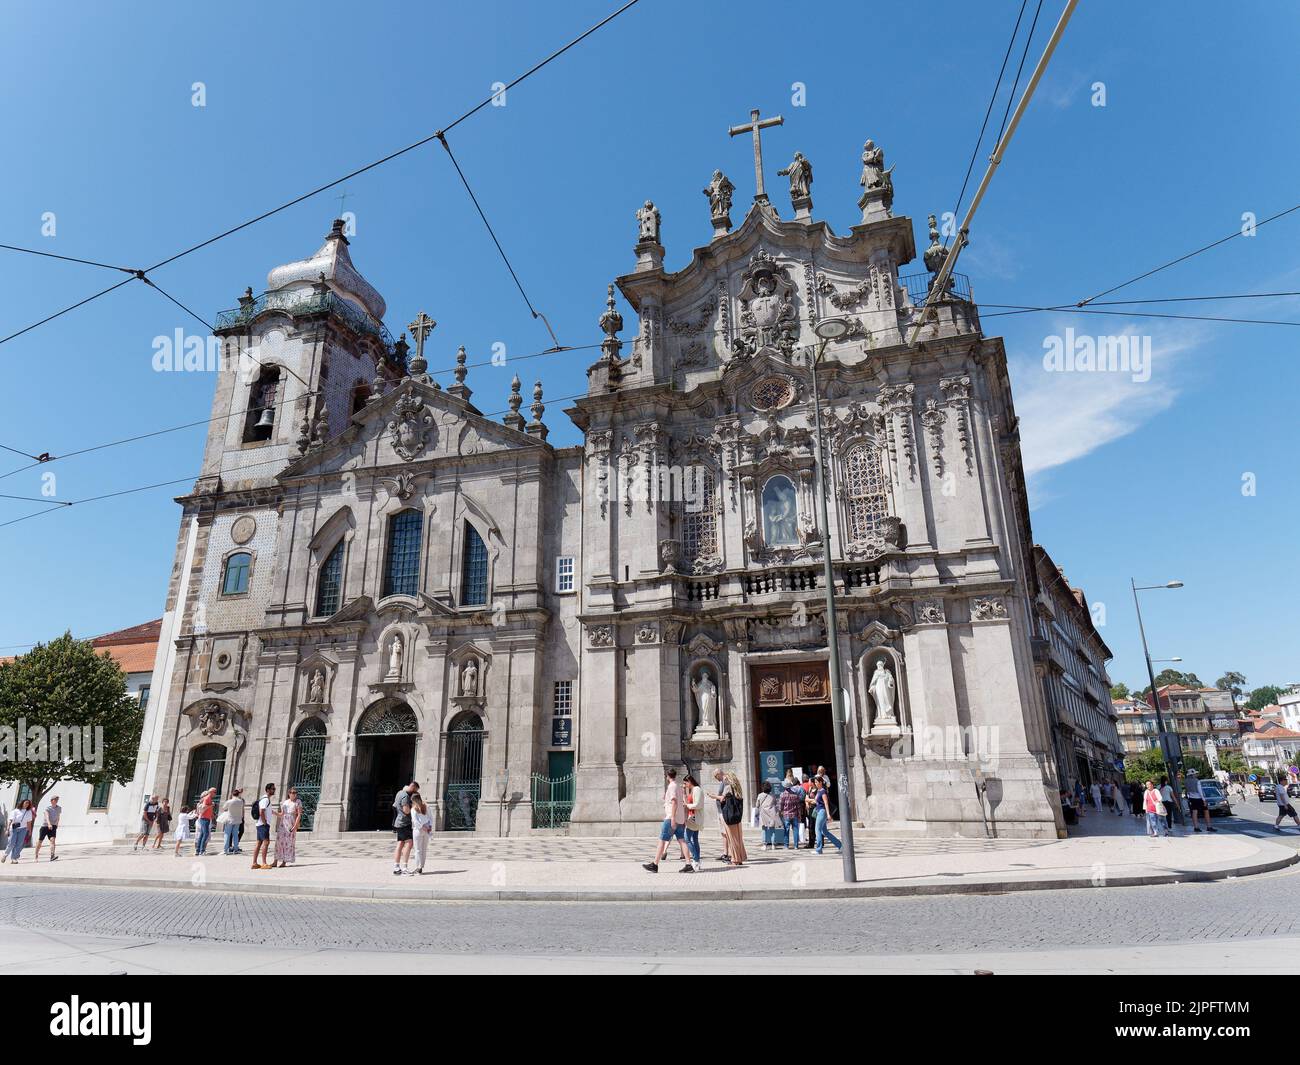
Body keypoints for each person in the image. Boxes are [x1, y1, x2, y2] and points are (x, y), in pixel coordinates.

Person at [643, 768, 691, 873]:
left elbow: (674, 802)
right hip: (680, 818)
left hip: (671, 818)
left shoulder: (672, 786)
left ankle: (655, 864)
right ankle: (688, 864)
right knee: (682, 840)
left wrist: (672, 818)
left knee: (662, 840)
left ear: (667, 776)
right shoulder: (678, 786)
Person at [714, 771, 747, 866]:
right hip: (737, 816)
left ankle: (735, 860)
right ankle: (740, 858)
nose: (724, 780)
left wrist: (713, 796)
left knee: (732, 839)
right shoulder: (738, 788)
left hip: (730, 816)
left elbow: (722, 798)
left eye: (725, 778)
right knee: (738, 838)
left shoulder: (728, 787)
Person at [812, 775, 843, 855]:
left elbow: (826, 803)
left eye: (816, 782)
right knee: (825, 832)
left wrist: (829, 814)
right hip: (820, 811)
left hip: (822, 812)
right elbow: (816, 801)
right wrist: (809, 800)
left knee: (817, 830)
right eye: (815, 782)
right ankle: (840, 845)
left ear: (821, 782)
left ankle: (819, 849)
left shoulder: (823, 791)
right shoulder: (819, 791)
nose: (815, 783)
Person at [392, 780, 418, 876]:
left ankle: (396, 867)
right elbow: (406, 810)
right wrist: (414, 808)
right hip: (404, 822)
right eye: (415, 790)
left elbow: (394, 806)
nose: (414, 793)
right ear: (413, 787)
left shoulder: (399, 793)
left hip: (399, 822)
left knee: (400, 844)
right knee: (409, 843)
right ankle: (405, 868)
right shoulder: (405, 796)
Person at [274, 787, 301, 867]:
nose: (294, 794)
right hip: (283, 824)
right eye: (292, 792)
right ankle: (275, 861)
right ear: (289, 793)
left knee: (288, 842)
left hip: (291, 823)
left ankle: (284, 861)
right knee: (279, 842)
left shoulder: (298, 802)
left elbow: (299, 815)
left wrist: (295, 826)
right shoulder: (285, 802)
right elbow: (282, 814)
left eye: (295, 792)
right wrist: (274, 813)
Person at [251, 783, 275, 869]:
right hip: (263, 825)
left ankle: (254, 863)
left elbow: (267, 811)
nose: (274, 790)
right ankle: (264, 863)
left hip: (260, 824)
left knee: (259, 843)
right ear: (268, 790)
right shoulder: (265, 800)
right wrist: (265, 822)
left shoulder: (265, 799)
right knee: (266, 842)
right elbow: (261, 811)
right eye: (273, 789)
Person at [682, 774, 703, 872]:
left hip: (694, 818)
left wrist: (688, 806)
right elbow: (687, 801)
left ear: (689, 781)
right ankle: (697, 862)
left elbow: (698, 805)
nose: (684, 784)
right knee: (694, 839)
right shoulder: (692, 790)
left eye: (685, 783)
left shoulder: (697, 789)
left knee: (686, 838)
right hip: (693, 817)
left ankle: (696, 859)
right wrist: (684, 792)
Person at [410, 791, 433, 874]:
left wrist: (422, 827)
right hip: (426, 829)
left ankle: (418, 867)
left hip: (418, 830)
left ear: (414, 800)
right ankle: (421, 866)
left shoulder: (413, 809)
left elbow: (415, 821)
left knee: (418, 850)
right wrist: (429, 827)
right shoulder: (427, 806)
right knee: (424, 849)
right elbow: (431, 817)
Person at [34, 795, 61, 862]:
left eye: (57, 799)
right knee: (40, 841)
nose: (56, 801)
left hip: (53, 826)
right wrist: (49, 824)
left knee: (52, 840)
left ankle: (52, 855)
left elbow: (58, 816)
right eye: (55, 799)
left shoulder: (59, 808)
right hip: (45, 826)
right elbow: (47, 817)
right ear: (51, 801)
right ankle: (36, 855)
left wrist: (57, 824)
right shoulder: (47, 808)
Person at [779, 777, 803, 849]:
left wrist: (780, 812)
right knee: (795, 829)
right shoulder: (795, 795)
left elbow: (781, 805)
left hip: (786, 815)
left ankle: (786, 845)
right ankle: (796, 845)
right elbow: (798, 806)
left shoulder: (782, 795)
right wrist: (799, 815)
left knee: (786, 830)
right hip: (795, 814)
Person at [756, 781, 782, 850]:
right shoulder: (772, 795)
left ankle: (764, 845)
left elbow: (757, 805)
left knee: (764, 829)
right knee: (772, 829)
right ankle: (773, 844)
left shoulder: (760, 795)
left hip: (763, 814)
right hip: (771, 814)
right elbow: (775, 803)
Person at [194, 787, 217, 855]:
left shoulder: (209, 798)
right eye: (215, 792)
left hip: (206, 818)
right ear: (211, 792)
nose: (215, 794)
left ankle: (198, 850)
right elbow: (204, 807)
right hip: (204, 818)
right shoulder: (207, 798)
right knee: (206, 834)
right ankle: (202, 850)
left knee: (202, 834)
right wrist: (211, 805)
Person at [221, 789, 245, 855]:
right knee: (235, 835)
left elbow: (224, 808)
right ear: (238, 794)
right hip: (238, 820)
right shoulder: (241, 801)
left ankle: (225, 850)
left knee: (227, 834)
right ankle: (236, 849)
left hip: (230, 819)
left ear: (232, 794)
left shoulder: (229, 801)